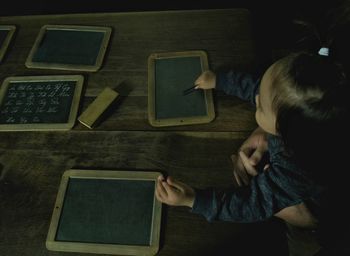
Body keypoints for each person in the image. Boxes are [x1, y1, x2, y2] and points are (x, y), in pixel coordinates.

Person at [155, 19, 350, 255]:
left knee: (299, 213)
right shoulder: (317, 110)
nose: (255, 99)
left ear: (284, 131)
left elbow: (251, 203)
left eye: (261, 108)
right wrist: (220, 80)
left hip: (328, 214)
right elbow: (261, 89)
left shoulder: (295, 173)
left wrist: (193, 199)